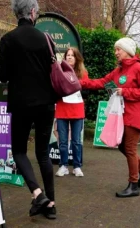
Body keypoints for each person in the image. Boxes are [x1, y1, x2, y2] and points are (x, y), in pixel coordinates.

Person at [0, 0, 57, 219]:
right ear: (32, 12)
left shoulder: (7, 40)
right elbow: (53, 69)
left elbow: (2, 75)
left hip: (21, 103)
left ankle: (38, 193)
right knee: (43, 153)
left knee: (19, 151)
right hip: (46, 103)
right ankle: (51, 206)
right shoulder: (47, 39)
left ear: (16, 14)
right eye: (37, 12)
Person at [80, 37, 140, 197]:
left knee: (129, 148)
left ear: (127, 51)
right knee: (121, 146)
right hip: (122, 114)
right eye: (115, 50)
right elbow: (102, 82)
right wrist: (81, 83)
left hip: (135, 114)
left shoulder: (138, 68)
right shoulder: (118, 71)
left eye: (118, 49)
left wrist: (125, 92)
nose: (116, 53)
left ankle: (134, 184)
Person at [55, 47, 88, 177]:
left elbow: (86, 88)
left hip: (77, 111)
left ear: (77, 58)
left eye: (72, 55)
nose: (69, 57)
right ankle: (63, 165)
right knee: (63, 141)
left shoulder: (82, 73)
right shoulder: (60, 71)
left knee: (76, 141)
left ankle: (77, 166)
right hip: (62, 109)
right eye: (67, 55)